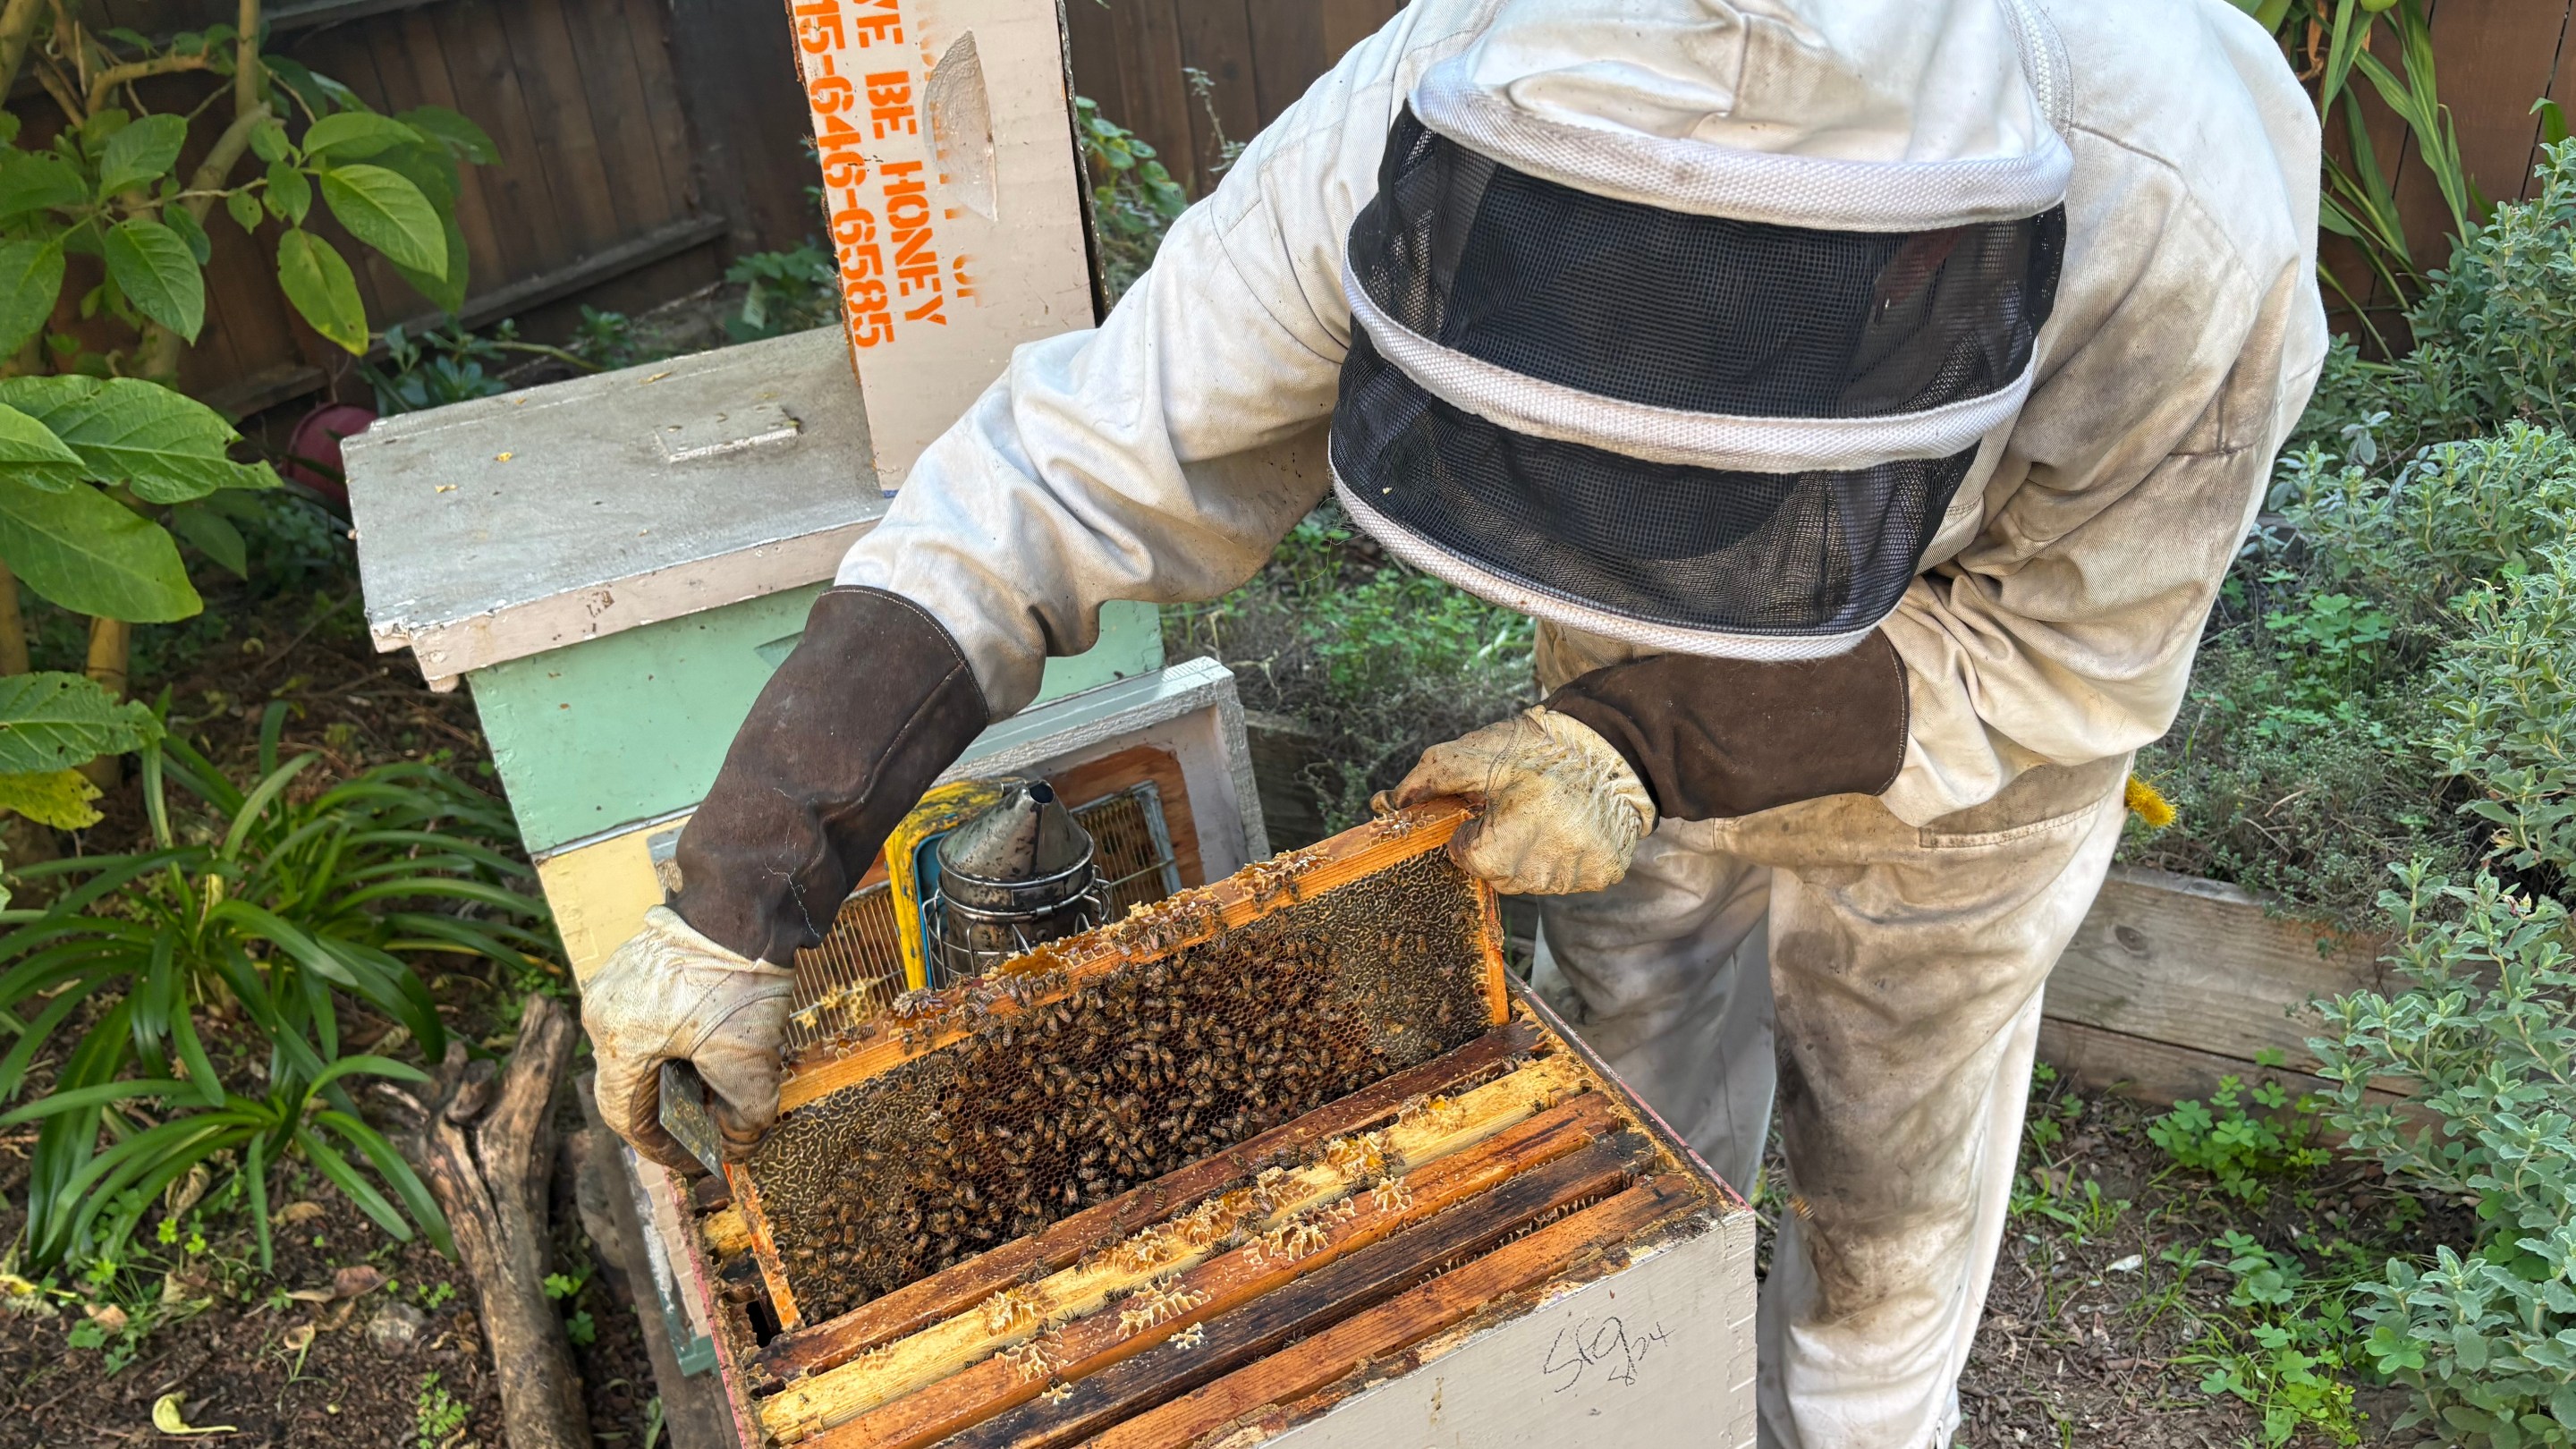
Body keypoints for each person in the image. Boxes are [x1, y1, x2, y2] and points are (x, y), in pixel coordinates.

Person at [582, 0, 2326, 1441]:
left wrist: (1654, 745)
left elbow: (2065, 663)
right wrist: (747, 882)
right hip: (1603, 728)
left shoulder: (2175, 221)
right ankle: (1637, 1375)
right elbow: (1076, 465)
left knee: (1894, 1186)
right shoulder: (1442, 100)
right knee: (1624, 1096)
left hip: (1968, 779)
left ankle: (1868, 1413)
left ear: (1922, 287)